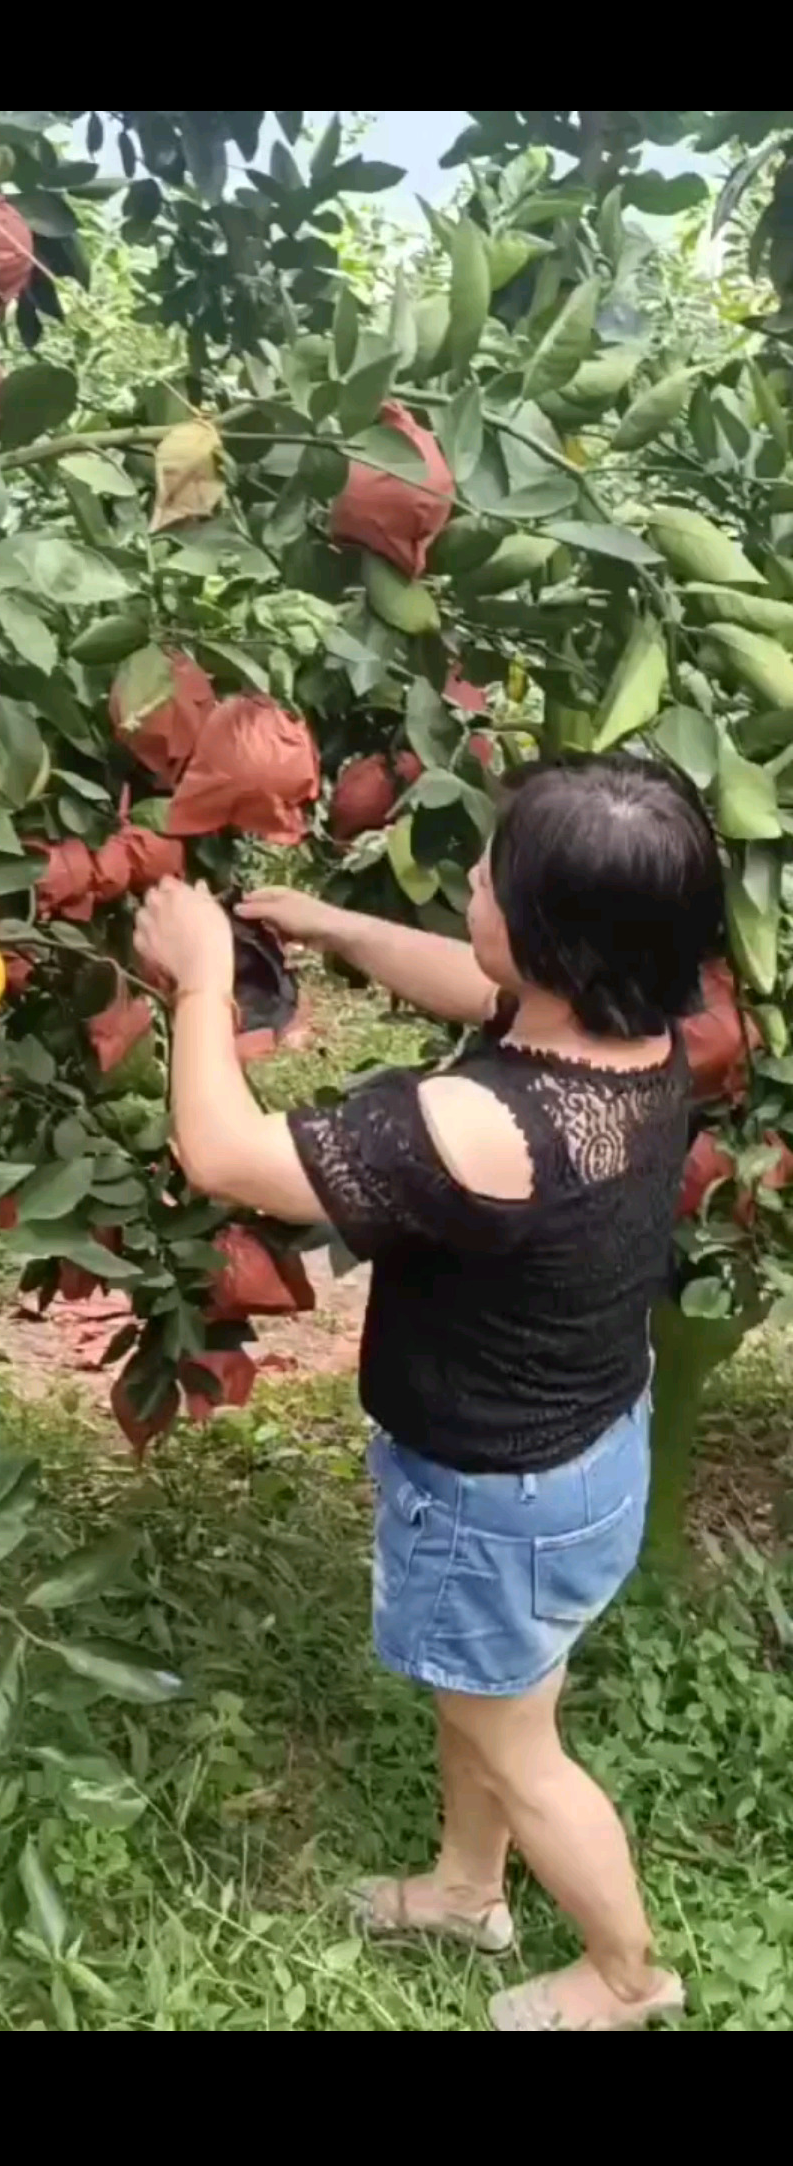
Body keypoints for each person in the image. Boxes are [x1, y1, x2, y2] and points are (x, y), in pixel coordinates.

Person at [133, 753, 724, 2033]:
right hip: (580, 1451)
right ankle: (466, 1888)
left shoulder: (483, 1124)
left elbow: (225, 1152)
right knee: (497, 1689)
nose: (467, 878)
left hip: (495, 1495)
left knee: (521, 1746)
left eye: (489, 873)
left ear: (552, 936)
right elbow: (477, 979)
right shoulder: (637, 1032)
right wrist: (338, 926)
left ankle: (627, 1976)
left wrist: (193, 977)